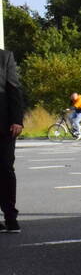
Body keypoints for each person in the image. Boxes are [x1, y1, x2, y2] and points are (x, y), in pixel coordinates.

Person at [0, 48, 25, 233]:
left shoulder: (4, 57)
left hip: (4, 126)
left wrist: (17, 119)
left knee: (6, 169)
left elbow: (14, 89)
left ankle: (10, 216)